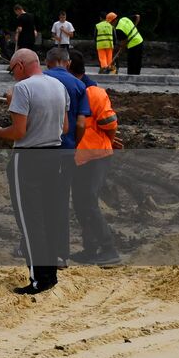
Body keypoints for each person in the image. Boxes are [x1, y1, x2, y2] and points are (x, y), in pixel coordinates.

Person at [0, 48, 69, 295]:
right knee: (49, 216)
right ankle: (50, 275)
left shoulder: (23, 89)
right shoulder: (58, 85)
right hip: (53, 155)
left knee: (30, 219)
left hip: (28, 158)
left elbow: (18, 132)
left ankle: (38, 279)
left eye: (12, 69)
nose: (12, 75)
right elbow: (64, 126)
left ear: (21, 65)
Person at [69, 53, 120, 265]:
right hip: (81, 157)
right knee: (81, 203)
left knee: (88, 201)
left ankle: (109, 249)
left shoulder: (95, 93)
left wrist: (107, 142)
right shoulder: (77, 91)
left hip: (96, 156)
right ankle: (90, 249)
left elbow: (110, 124)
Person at [42, 47, 89, 266]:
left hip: (41, 149)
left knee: (37, 199)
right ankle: (61, 252)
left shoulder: (39, 80)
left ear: (48, 61)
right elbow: (81, 122)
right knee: (60, 201)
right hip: (66, 150)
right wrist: (75, 144)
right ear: (67, 63)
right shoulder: (79, 85)